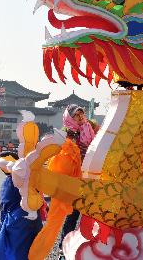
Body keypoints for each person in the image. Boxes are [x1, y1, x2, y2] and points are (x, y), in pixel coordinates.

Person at [29, 104, 97, 260]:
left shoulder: (90, 130)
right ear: (69, 117)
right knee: (70, 215)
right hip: (70, 181)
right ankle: (63, 249)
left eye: (81, 114)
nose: (80, 118)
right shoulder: (65, 134)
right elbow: (57, 157)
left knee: (88, 215)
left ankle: (85, 247)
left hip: (88, 179)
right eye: (76, 115)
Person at [0, 151, 42, 260]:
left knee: (13, 249)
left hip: (18, 222)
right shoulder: (23, 179)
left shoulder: (11, 182)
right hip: (27, 219)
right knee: (25, 249)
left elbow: (6, 202)